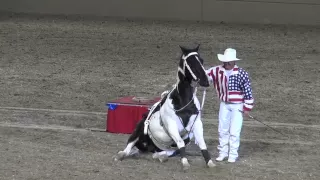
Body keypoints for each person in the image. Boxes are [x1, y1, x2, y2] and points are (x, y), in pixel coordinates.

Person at [206, 48, 254, 163]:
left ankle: (232, 154)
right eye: (225, 62)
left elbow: (248, 92)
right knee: (222, 130)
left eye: (228, 62)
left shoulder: (242, 74)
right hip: (224, 104)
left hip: (238, 106)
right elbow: (205, 75)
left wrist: (247, 107)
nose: (226, 64)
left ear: (233, 62)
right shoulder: (216, 71)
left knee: (234, 131)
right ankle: (222, 153)